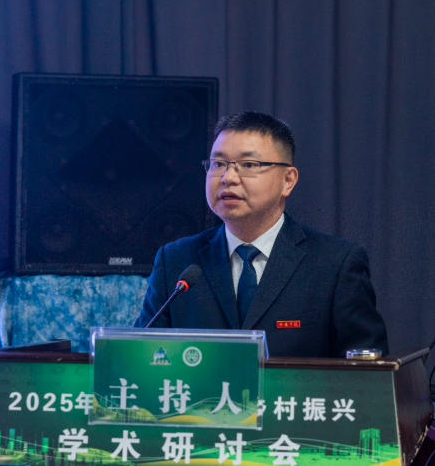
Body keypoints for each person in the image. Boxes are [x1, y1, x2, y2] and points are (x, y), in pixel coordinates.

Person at [134, 111, 389, 358]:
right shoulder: (176, 261)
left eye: (248, 165)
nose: (228, 178)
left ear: (287, 180)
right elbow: (138, 357)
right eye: (218, 164)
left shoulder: (335, 265)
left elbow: (367, 373)